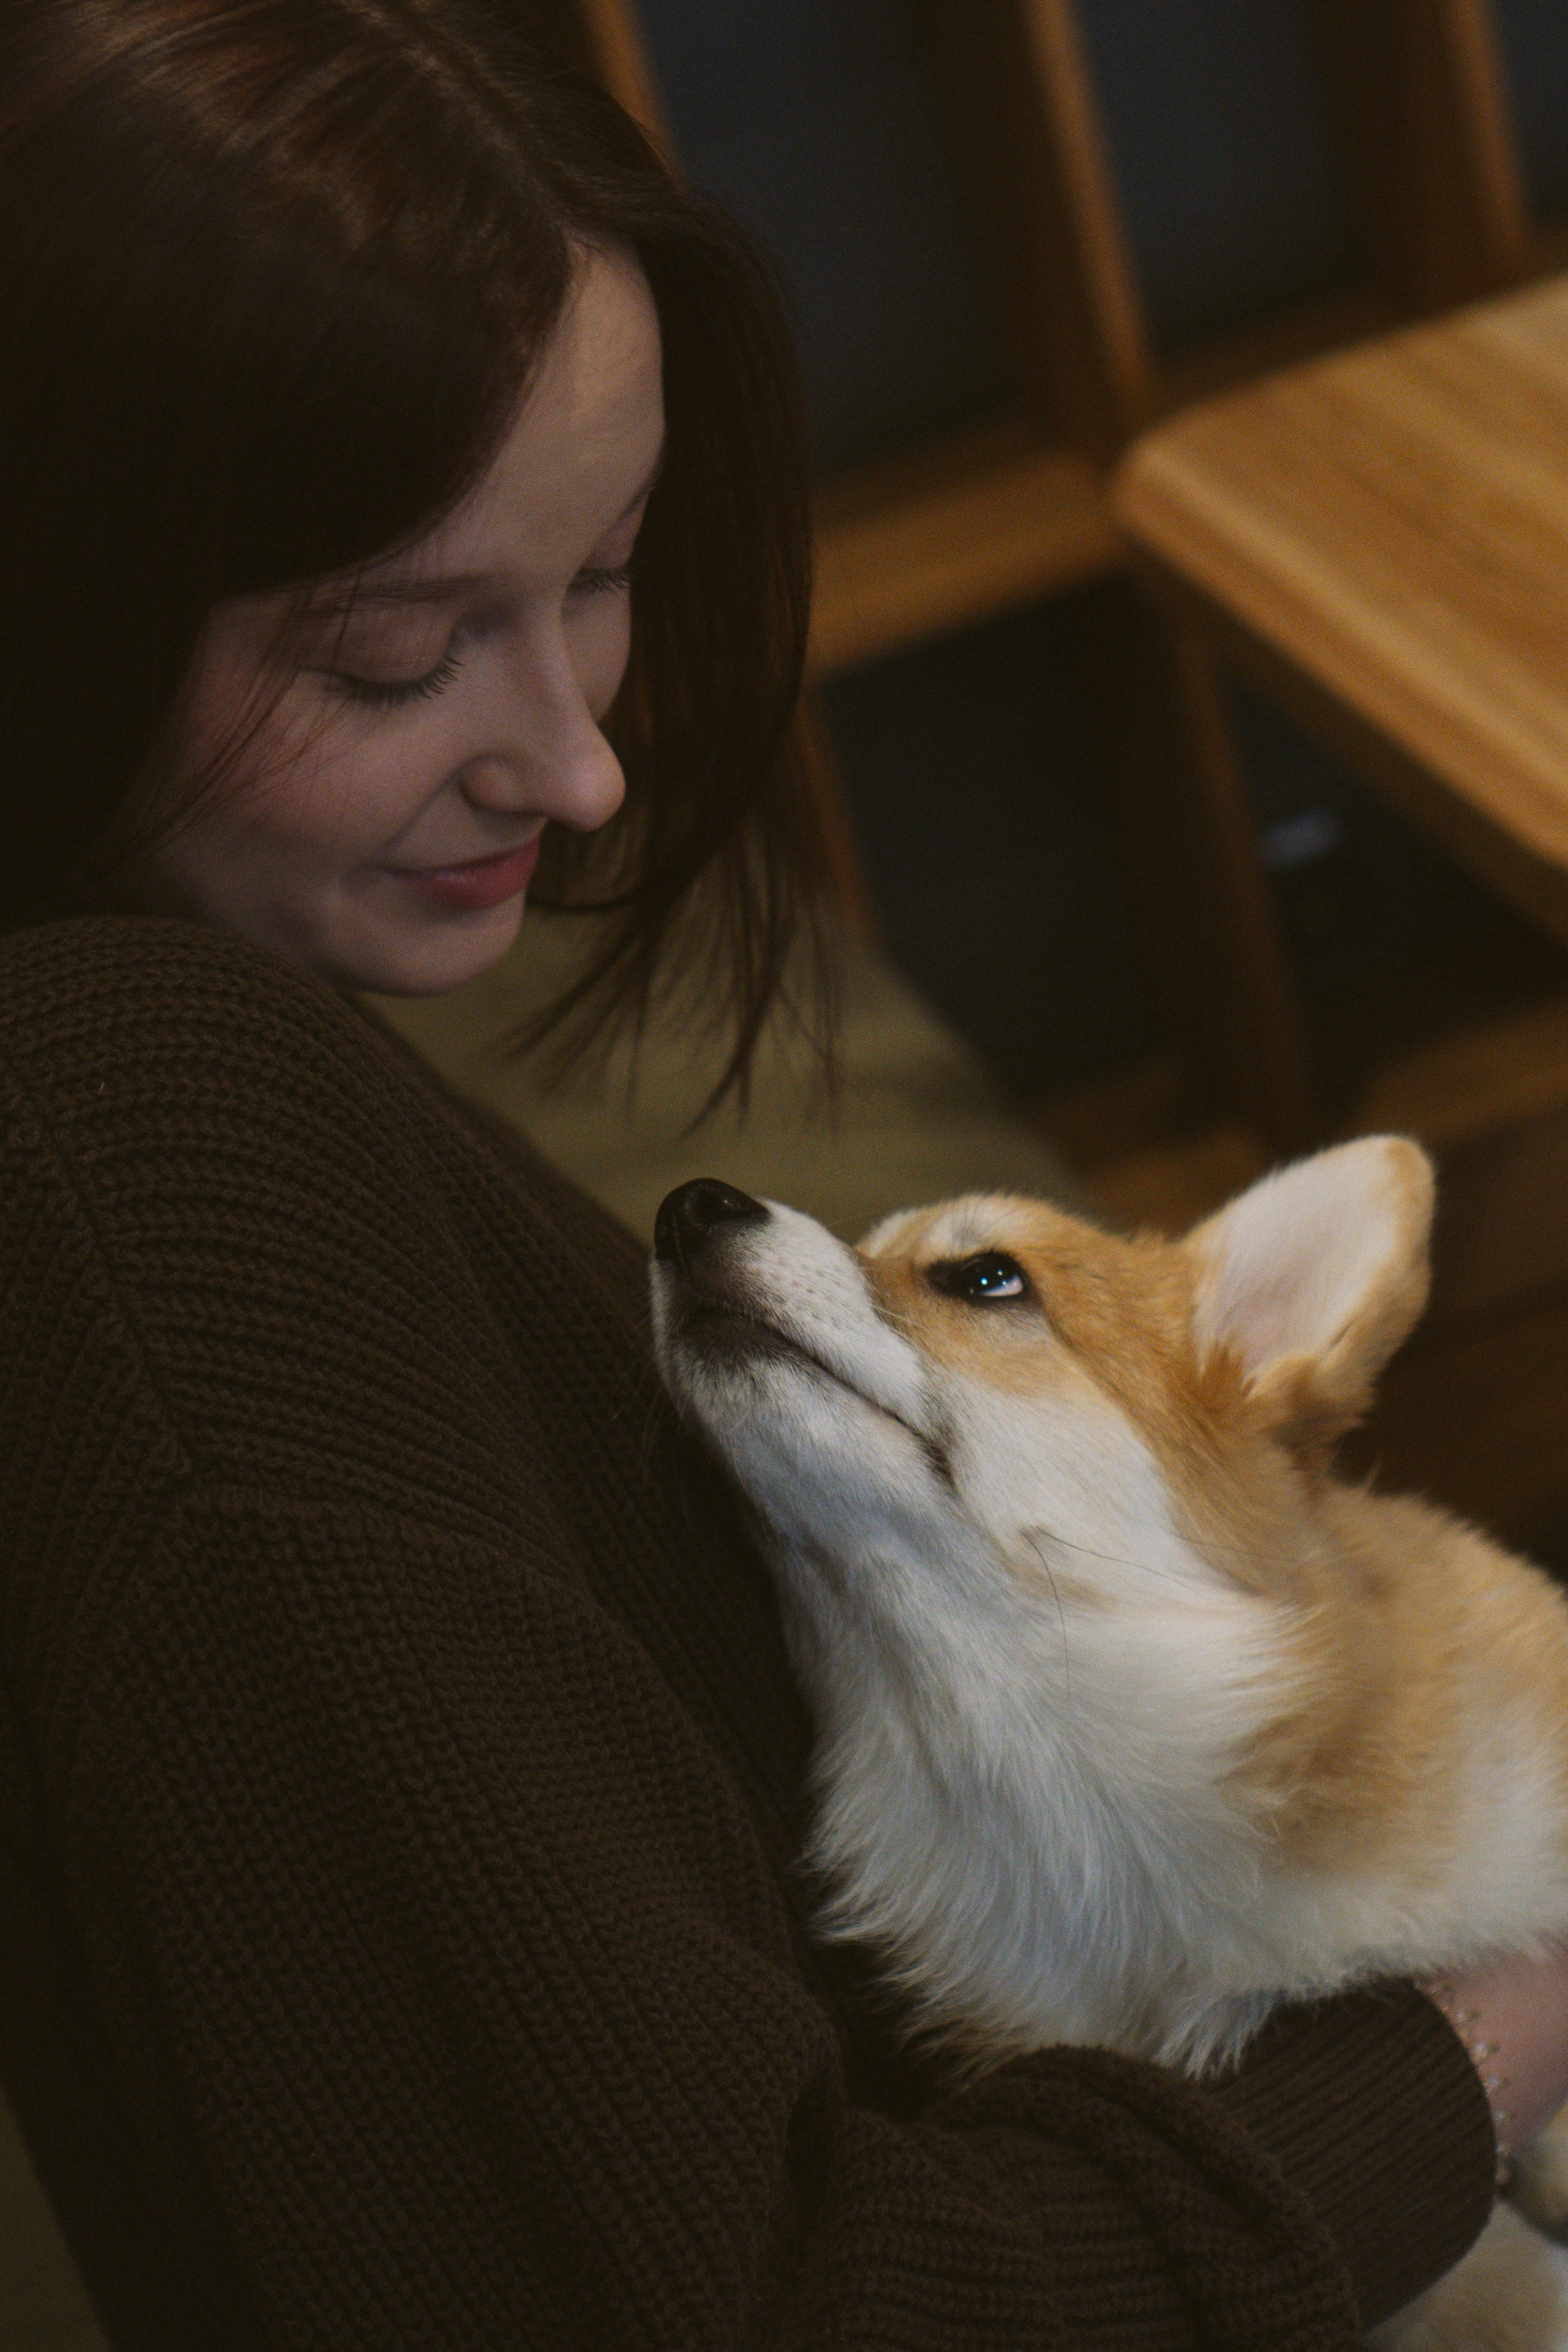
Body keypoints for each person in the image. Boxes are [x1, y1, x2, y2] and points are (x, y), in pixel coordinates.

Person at [0, 3, 1564, 2345]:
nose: (580, 768)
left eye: (605, 566)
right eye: (399, 653)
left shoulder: (206, 1043)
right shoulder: (132, 1145)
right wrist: (1488, 2032)